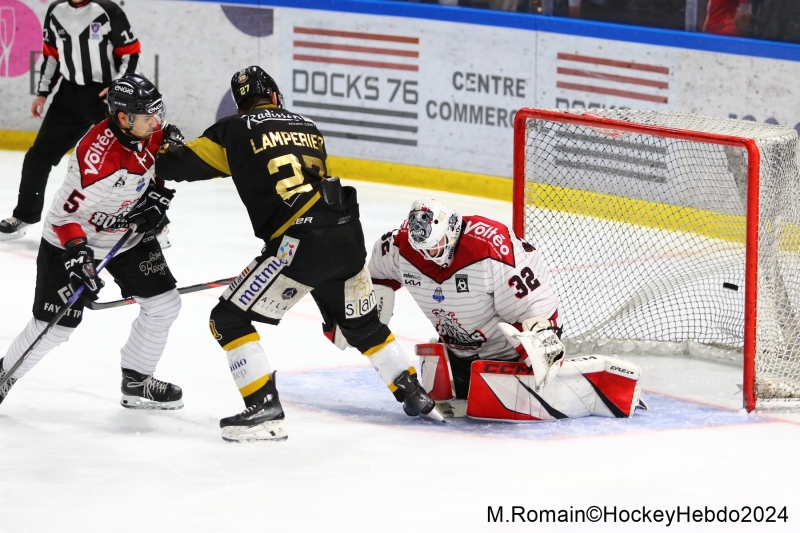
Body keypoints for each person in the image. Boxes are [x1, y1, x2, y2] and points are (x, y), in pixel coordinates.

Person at [154, 65, 439, 442]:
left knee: (227, 319)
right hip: (347, 234)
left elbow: (174, 166)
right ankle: (413, 393)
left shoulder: (234, 129)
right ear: (274, 97)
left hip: (300, 243)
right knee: (362, 325)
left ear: (242, 105)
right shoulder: (308, 126)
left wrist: (169, 144)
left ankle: (264, 408)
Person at [325, 199, 646, 421]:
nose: (430, 256)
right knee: (444, 383)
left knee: (506, 396)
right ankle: (465, 373)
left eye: (436, 247)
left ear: (451, 231)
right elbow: (372, 281)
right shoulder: (398, 245)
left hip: (509, 355)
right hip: (458, 350)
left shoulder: (492, 246)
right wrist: (352, 317)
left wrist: (543, 335)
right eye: (423, 249)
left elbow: (534, 302)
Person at [0, 74, 184, 411]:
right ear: (124, 118)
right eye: (148, 117)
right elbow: (63, 218)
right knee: (55, 327)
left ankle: (137, 379)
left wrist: (159, 195)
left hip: (126, 234)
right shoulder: (97, 159)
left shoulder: (150, 131)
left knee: (164, 305)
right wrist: (78, 257)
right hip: (73, 240)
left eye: (158, 114)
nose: (157, 123)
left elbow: (159, 170)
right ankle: (3, 375)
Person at [0, 0, 169, 246]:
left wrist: (119, 89)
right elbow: (51, 55)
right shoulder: (55, 11)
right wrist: (43, 92)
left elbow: (131, 53)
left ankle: (157, 224)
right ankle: (24, 216)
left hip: (107, 98)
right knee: (39, 157)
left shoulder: (108, 11)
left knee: (135, 160)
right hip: (69, 96)